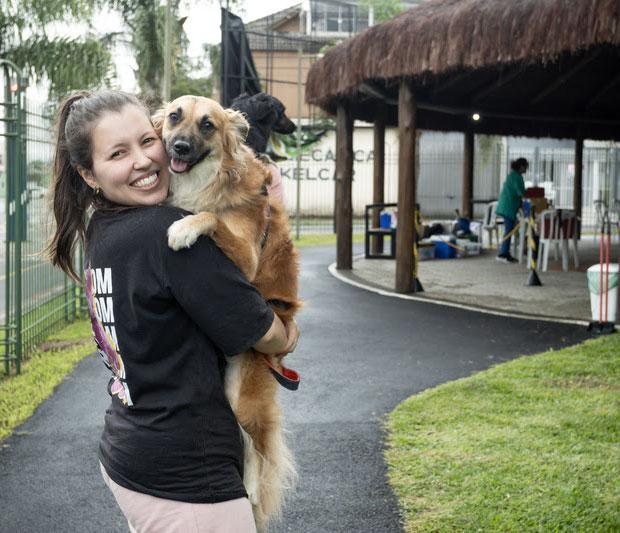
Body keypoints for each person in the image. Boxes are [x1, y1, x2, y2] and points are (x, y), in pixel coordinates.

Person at [46, 90, 299, 533]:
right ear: (88, 173)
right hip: (187, 478)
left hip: (131, 450)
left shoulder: (105, 226)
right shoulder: (168, 237)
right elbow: (266, 334)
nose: (144, 160)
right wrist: (289, 334)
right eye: (119, 153)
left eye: (147, 141)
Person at [496, 157, 528, 263]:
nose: (526, 169)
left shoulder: (513, 175)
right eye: (526, 167)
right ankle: (503, 254)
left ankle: (505, 252)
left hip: (508, 206)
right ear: (521, 166)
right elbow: (521, 193)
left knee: (509, 230)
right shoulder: (516, 177)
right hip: (508, 207)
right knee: (509, 230)